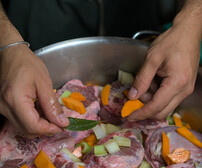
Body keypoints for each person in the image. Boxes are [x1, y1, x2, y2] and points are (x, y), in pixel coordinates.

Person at [0, 0, 201, 138]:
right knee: (20, 98)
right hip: (40, 14)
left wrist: (191, 21)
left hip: (133, 7)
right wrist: (7, 45)